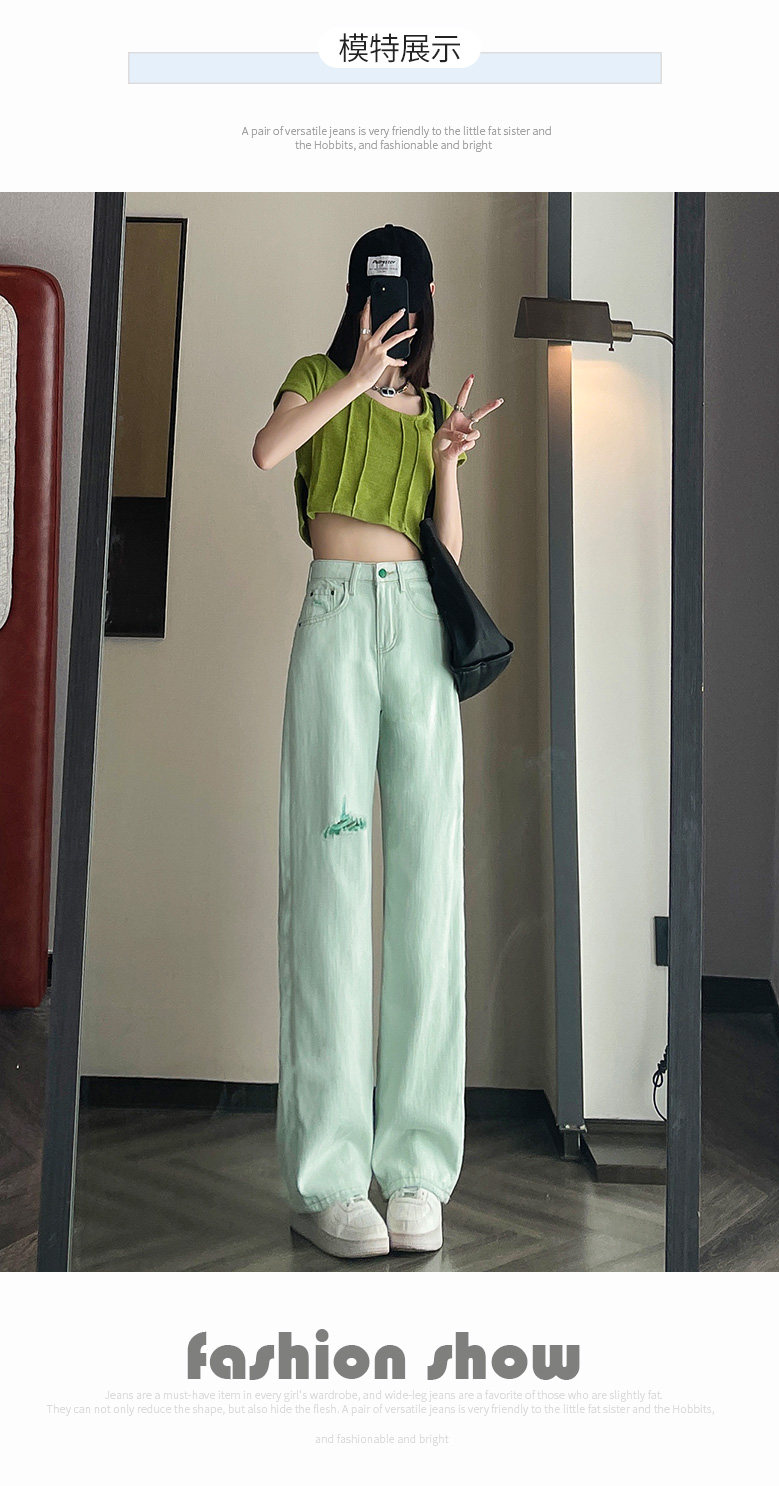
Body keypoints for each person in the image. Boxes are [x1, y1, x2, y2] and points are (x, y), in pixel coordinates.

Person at [252, 224, 503, 1260]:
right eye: (371, 292)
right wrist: (357, 380)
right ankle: (327, 1177)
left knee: (427, 889)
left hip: (417, 633)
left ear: (425, 296)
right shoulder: (318, 376)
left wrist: (446, 462)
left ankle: (415, 1170)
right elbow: (269, 450)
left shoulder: (434, 409)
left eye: (400, 295)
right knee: (331, 880)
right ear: (353, 294)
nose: (387, 310)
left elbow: (446, 553)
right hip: (337, 622)